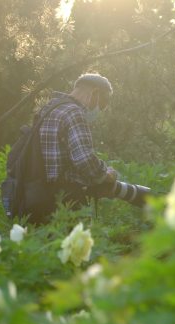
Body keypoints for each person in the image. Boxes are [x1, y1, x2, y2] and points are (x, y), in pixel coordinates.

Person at [28, 73, 149, 223]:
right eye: (103, 103)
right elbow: (84, 160)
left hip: (38, 197)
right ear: (95, 93)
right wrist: (106, 174)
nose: (101, 109)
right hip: (66, 202)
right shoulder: (74, 112)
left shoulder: (48, 109)